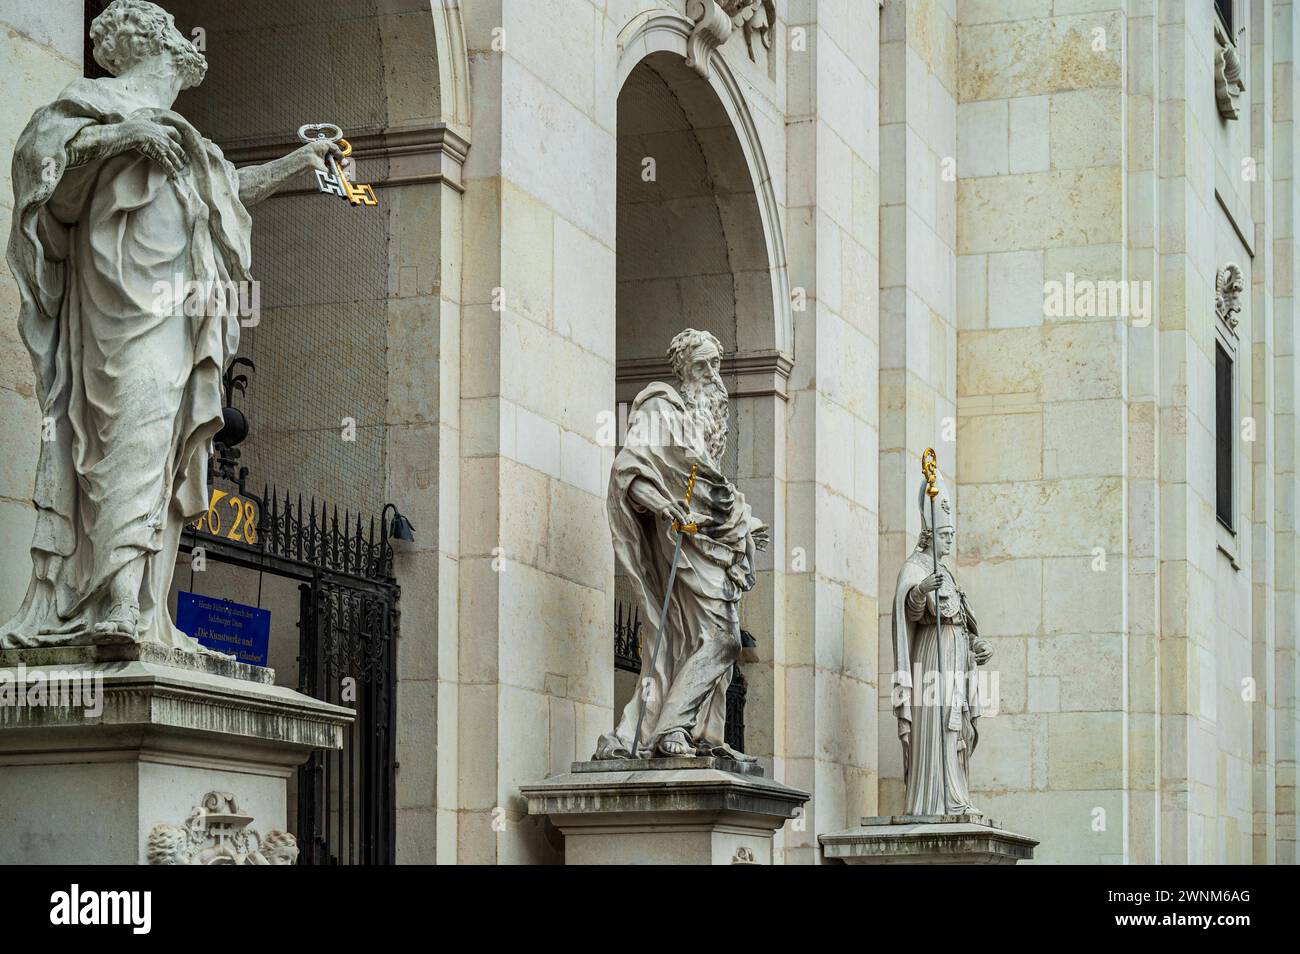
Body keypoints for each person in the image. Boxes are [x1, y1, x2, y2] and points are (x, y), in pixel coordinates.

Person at [2, 0, 341, 648]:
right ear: (156, 48)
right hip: (116, 313)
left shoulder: (188, 143)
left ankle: (135, 605)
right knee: (120, 439)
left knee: (160, 448)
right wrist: (122, 138)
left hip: (174, 320)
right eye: (179, 43)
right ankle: (105, 605)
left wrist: (301, 161)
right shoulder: (85, 111)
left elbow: (229, 189)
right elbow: (44, 182)